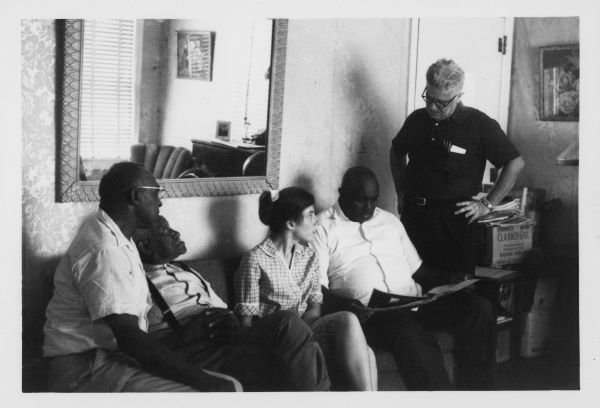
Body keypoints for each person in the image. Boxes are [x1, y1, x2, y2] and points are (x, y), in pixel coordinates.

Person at [42, 162, 240, 392]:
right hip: (84, 368)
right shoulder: (105, 249)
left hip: (112, 360)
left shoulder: (119, 237)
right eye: (156, 193)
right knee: (212, 393)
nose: (160, 202)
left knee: (231, 386)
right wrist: (204, 380)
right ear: (136, 196)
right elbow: (129, 337)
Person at [312, 166, 497, 390]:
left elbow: (417, 270)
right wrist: (344, 305)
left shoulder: (389, 221)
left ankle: (479, 394)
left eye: (373, 200)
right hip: (372, 315)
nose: (369, 207)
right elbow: (316, 288)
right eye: (361, 200)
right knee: (405, 328)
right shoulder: (322, 228)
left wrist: (452, 279)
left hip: (414, 303)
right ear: (342, 193)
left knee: (478, 308)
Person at [134, 215, 331, 391]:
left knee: (288, 322)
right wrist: (189, 333)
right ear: (145, 246)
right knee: (279, 357)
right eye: (165, 231)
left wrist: (231, 322)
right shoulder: (137, 283)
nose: (176, 233)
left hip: (225, 336)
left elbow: (222, 308)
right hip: (195, 349)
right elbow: (139, 346)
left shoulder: (185, 269)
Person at [390, 58, 525, 280]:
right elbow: (396, 151)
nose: (432, 107)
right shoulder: (416, 120)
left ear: (459, 95)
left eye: (442, 103)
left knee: (455, 292)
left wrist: (487, 204)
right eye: (429, 98)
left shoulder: (480, 125)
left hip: (455, 223)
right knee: (412, 286)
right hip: (415, 218)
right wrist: (400, 190)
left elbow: (515, 163)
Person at [234, 187, 377, 391]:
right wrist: (294, 337)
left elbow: (315, 308)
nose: (316, 222)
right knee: (356, 335)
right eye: (310, 215)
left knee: (363, 345)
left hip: (306, 330)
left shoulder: (308, 256)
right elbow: (246, 325)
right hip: (274, 340)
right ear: (291, 223)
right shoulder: (255, 259)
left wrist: (303, 338)